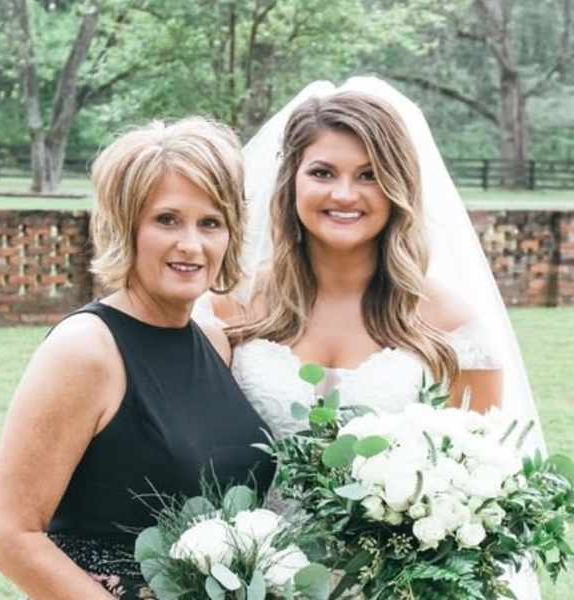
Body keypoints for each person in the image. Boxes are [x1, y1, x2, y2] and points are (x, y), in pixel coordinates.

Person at [207, 80, 545, 599]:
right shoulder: (234, 306)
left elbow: (481, 497)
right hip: (250, 581)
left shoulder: (453, 324)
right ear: (292, 180)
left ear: (398, 186)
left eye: (369, 175)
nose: (344, 194)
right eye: (323, 173)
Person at [0, 118, 276, 599]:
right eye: (167, 220)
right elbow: (9, 538)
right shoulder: (86, 350)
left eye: (210, 223)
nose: (191, 244)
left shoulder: (215, 342)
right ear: (126, 226)